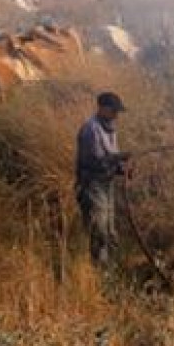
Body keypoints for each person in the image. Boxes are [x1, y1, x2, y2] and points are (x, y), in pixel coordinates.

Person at [75, 92, 129, 266]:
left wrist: (121, 168)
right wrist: (118, 158)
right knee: (99, 227)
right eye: (114, 111)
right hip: (92, 184)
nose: (116, 115)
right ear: (103, 109)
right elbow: (94, 161)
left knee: (109, 227)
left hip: (107, 183)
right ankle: (99, 268)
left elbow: (112, 155)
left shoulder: (111, 127)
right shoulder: (90, 129)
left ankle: (110, 266)